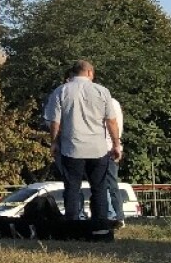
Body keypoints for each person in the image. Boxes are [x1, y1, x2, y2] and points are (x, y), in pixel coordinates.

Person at [44, 60, 121, 224]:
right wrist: (116, 144)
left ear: (73, 73)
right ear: (89, 73)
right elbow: (111, 121)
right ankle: (100, 222)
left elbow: (54, 122)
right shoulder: (102, 91)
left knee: (72, 187)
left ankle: (72, 223)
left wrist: (54, 142)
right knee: (99, 187)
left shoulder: (61, 91)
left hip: (72, 147)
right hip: (98, 148)